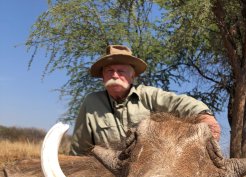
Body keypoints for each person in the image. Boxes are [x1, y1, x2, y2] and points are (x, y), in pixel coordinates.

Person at [70, 45, 221, 155]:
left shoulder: (149, 95)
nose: (115, 75)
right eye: (109, 71)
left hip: (145, 172)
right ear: (102, 76)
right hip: (104, 172)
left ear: (132, 76)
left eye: (121, 71)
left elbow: (179, 102)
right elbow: (80, 148)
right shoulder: (91, 101)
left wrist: (204, 116)